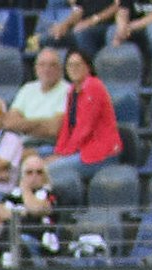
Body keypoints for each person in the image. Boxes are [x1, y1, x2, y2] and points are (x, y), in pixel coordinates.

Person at [49, 47, 122, 186]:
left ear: (87, 67)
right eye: (70, 65)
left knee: (49, 170)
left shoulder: (93, 86)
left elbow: (84, 128)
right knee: (33, 161)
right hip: (80, 150)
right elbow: (67, 127)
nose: (73, 68)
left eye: (78, 65)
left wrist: (62, 155)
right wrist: (58, 151)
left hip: (101, 153)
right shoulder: (72, 90)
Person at [6, 47, 67, 141]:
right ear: (36, 68)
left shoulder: (68, 91)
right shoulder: (28, 88)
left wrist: (22, 125)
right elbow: (10, 122)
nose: (47, 69)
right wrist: (42, 124)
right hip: (22, 143)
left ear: (60, 69)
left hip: (49, 145)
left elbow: (53, 129)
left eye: (52, 65)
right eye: (42, 65)